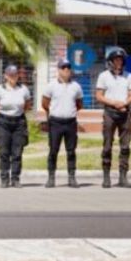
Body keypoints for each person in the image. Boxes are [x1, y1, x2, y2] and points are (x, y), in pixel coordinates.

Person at [95, 48, 131, 188]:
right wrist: (114, 103)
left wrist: (124, 103)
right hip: (110, 113)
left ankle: (123, 177)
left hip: (125, 113)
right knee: (107, 146)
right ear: (110, 62)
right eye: (116, 60)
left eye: (121, 60)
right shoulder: (103, 76)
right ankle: (106, 177)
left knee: (125, 146)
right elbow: (99, 95)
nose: (119, 62)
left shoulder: (128, 76)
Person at [42, 60, 83, 188]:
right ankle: (51, 178)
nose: (66, 70)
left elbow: (79, 104)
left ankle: (72, 177)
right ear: (58, 70)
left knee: (71, 151)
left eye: (68, 67)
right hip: (56, 122)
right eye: (63, 67)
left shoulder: (76, 86)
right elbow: (45, 103)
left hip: (70, 122)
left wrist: (69, 111)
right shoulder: (51, 85)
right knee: (53, 151)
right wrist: (55, 111)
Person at [0, 65, 31, 188]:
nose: (13, 77)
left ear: (18, 76)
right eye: (10, 75)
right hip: (3, 122)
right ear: (6, 76)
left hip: (19, 123)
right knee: (4, 152)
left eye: (15, 74)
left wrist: (17, 114)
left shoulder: (23, 89)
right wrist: (4, 115)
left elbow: (27, 105)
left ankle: (15, 179)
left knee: (17, 153)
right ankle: (4, 179)